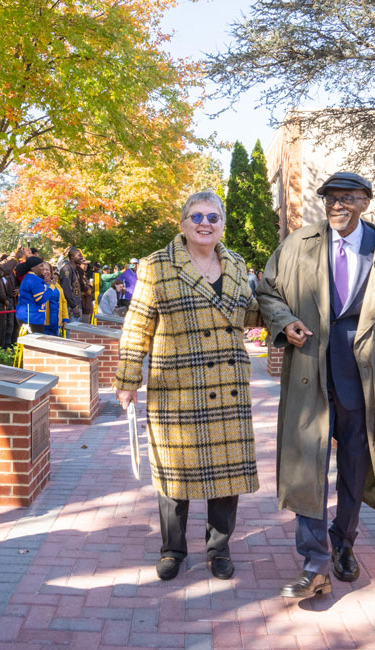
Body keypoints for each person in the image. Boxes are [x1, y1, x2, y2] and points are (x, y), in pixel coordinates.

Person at [256, 171, 375, 598]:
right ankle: (314, 563)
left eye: (348, 197)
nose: (337, 205)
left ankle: (343, 542)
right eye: (331, 197)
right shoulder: (297, 245)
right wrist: (283, 321)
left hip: (367, 385)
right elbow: (267, 292)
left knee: (355, 468)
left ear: (366, 202)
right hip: (309, 378)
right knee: (304, 467)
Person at [116, 189, 260, 582]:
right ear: (182, 223)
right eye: (196, 216)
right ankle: (172, 549)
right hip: (176, 385)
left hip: (227, 383)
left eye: (212, 218)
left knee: (226, 474)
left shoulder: (235, 262)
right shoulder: (157, 265)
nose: (204, 224)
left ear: (222, 225)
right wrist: (129, 379)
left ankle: (219, 547)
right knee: (174, 473)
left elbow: (250, 311)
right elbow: (137, 326)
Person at [58, 247, 84, 321]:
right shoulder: (66, 269)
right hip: (70, 307)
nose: (81, 257)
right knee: (70, 331)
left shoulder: (75, 270)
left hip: (76, 305)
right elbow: (67, 289)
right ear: (72, 257)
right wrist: (74, 306)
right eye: (79, 255)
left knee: (76, 331)